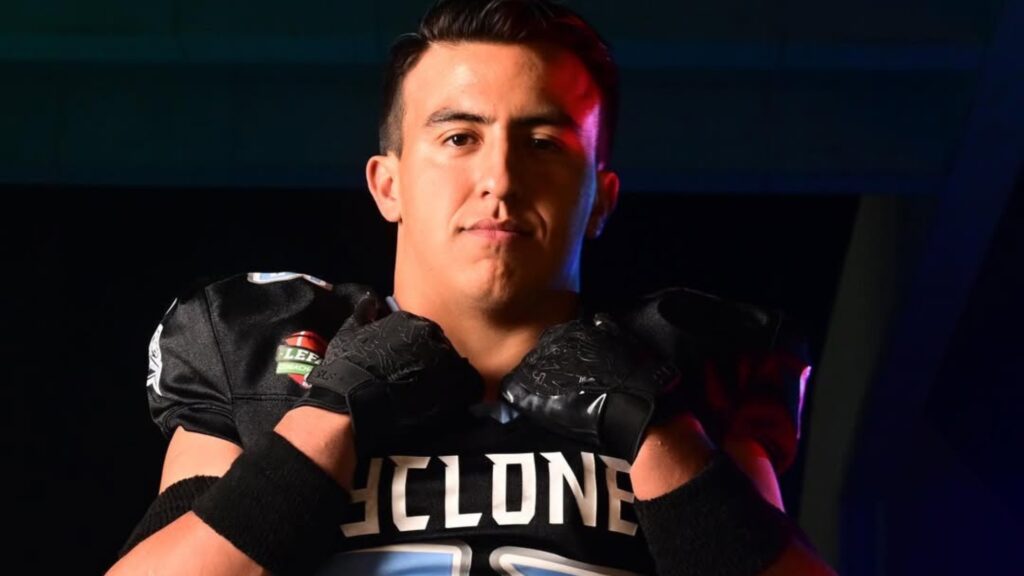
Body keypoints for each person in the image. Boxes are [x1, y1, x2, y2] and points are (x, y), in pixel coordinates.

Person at [108, 1, 835, 574]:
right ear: (387, 184)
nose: (500, 179)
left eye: (543, 143)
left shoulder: (691, 368)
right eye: (460, 137)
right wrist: (327, 416)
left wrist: (660, 432)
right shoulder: (263, 346)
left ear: (602, 198)